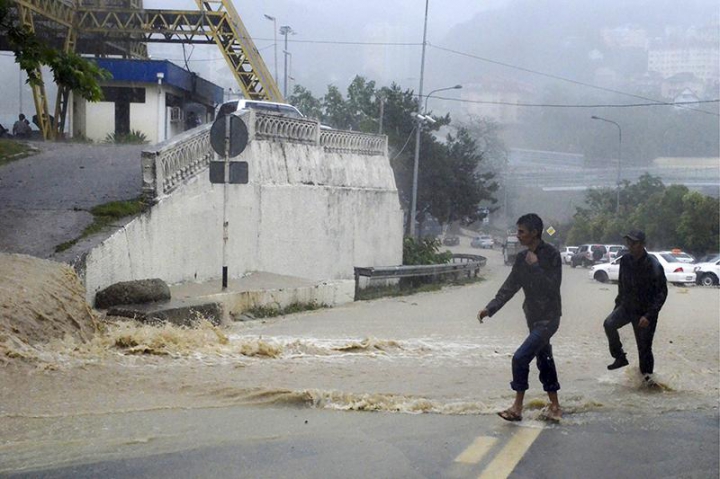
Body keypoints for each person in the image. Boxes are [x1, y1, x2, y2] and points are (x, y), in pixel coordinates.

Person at [477, 213, 563, 422]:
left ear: (534, 233)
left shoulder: (551, 255)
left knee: (520, 357)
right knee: (544, 358)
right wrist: (490, 308)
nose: (518, 236)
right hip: (532, 317)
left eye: (521, 232)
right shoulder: (522, 259)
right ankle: (555, 405)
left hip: (549, 318)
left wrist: (536, 266)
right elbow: (510, 287)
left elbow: (553, 288)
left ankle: (517, 407)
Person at [603, 229, 667, 386]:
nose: (630, 246)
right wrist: (617, 306)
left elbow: (662, 293)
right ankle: (620, 357)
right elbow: (622, 285)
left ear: (643, 244)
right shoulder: (625, 260)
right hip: (626, 307)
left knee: (644, 348)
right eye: (628, 242)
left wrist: (649, 315)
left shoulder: (653, 265)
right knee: (609, 323)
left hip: (645, 313)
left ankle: (647, 381)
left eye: (634, 243)